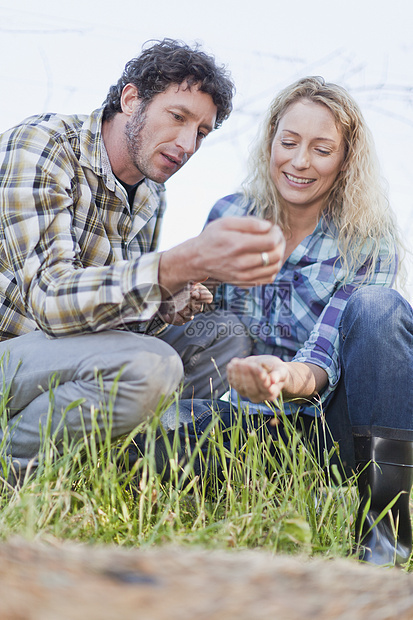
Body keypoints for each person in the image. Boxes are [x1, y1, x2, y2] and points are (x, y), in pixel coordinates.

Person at [136, 76, 413, 567]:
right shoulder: (231, 214)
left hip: (332, 428)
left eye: (322, 149)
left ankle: (386, 534)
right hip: (247, 418)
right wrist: (188, 298)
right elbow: (199, 324)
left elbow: (325, 356)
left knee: (377, 308)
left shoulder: (370, 240)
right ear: (270, 144)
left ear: (345, 160)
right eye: (289, 142)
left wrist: (283, 378)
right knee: (142, 458)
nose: (300, 161)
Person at [0, 38, 286, 484]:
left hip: (75, 352)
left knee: (224, 337)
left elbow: (118, 323)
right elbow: (51, 301)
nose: (188, 143)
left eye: (203, 133)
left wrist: (168, 302)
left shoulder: (152, 192)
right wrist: (177, 262)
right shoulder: (44, 145)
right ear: (131, 100)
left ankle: (133, 466)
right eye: (178, 117)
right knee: (151, 365)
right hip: (12, 356)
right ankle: (15, 467)